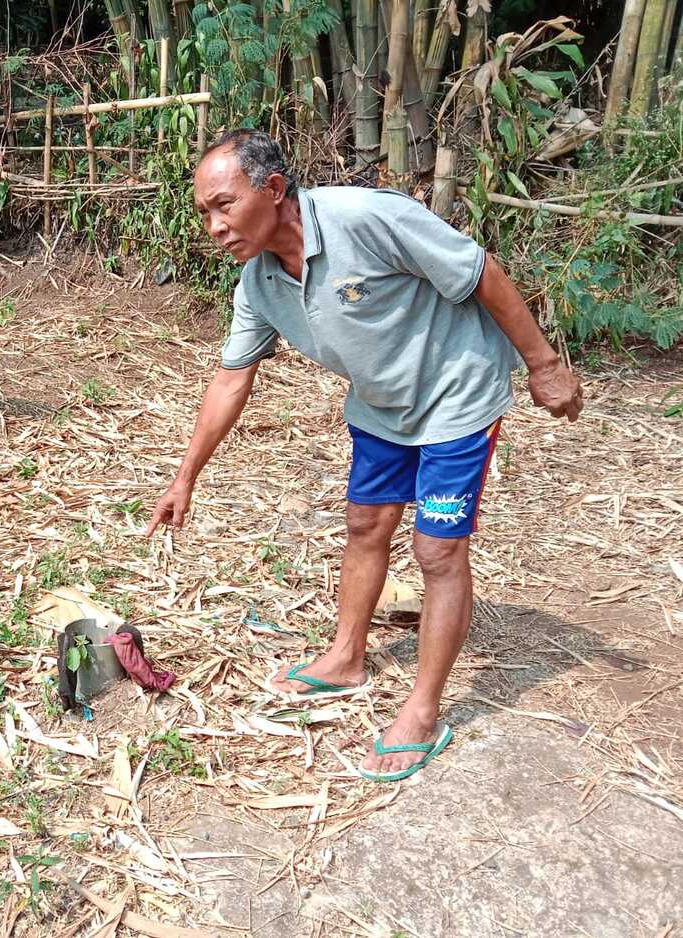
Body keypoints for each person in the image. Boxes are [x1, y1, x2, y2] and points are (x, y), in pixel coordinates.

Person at [145, 130, 583, 782]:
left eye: (223, 205)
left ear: (272, 190)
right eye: (204, 213)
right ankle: (347, 656)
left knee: (437, 551)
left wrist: (543, 363)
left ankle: (424, 711)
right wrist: (185, 477)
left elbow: (479, 271)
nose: (213, 226)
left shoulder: (367, 218)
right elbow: (231, 378)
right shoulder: (260, 284)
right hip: (382, 409)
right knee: (365, 526)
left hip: (456, 395)